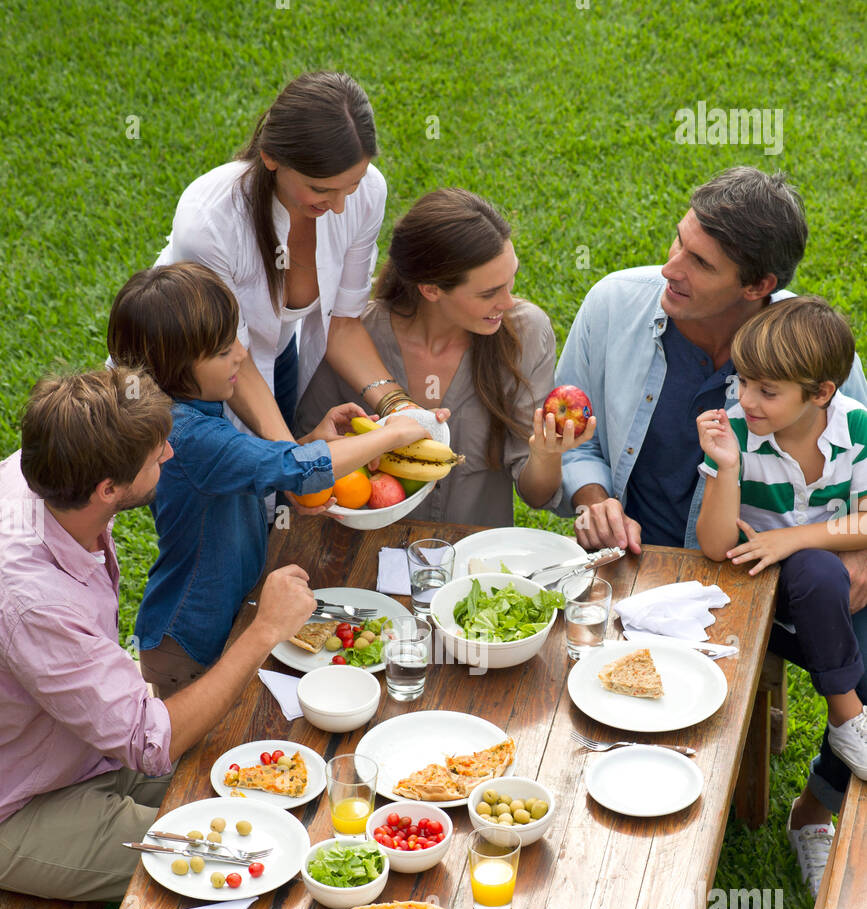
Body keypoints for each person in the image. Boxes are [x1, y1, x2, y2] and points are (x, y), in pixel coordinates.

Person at [554, 165, 867, 894]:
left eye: (699, 261)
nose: (670, 267)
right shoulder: (613, 306)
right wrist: (593, 494)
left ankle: (814, 812)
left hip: (782, 572)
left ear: (758, 285)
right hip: (646, 566)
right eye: (677, 241)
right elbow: (573, 436)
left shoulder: (805, 345)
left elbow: (857, 461)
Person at [0, 368, 322, 903]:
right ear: (108, 489)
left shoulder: (45, 473)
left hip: (80, 745)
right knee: (243, 863)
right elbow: (152, 742)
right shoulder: (34, 602)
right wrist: (263, 630)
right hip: (22, 802)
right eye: (157, 454)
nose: (171, 454)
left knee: (269, 787)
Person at [106, 263, 431, 697]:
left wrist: (312, 440)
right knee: (197, 759)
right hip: (192, 641)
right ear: (176, 367)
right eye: (223, 352)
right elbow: (296, 470)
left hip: (216, 620)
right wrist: (391, 434)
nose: (242, 354)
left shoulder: (189, 410)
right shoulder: (190, 435)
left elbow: (258, 466)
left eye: (235, 339)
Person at [154, 70, 442, 442]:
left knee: (277, 494)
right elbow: (232, 356)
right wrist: (295, 462)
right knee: (227, 494)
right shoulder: (208, 223)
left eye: (351, 185)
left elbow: (344, 325)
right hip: (194, 382)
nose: (340, 207)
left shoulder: (369, 193)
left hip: (276, 355)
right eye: (320, 188)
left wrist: (398, 405)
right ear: (271, 158)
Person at [295, 188, 582, 526]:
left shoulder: (527, 333)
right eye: (489, 293)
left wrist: (546, 454)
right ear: (430, 289)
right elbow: (305, 454)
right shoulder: (355, 338)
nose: (508, 302)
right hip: (359, 553)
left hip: (474, 560)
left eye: (511, 279)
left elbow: (536, 495)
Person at [697, 297, 867, 846]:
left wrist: (790, 538)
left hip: (837, 605)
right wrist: (726, 468)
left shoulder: (857, 429)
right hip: (764, 606)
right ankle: (846, 718)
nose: (747, 400)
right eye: (743, 382)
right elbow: (717, 545)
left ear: (821, 393)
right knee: (817, 570)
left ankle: (812, 812)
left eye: (767, 391)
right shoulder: (740, 436)